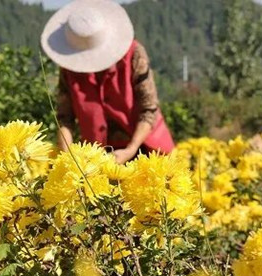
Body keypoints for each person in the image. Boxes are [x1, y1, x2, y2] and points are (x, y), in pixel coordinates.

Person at [40, 0, 174, 164]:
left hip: (146, 149)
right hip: (98, 155)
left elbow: (149, 109)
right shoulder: (70, 69)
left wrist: (130, 150)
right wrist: (66, 160)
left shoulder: (134, 55)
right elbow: (64, 118)